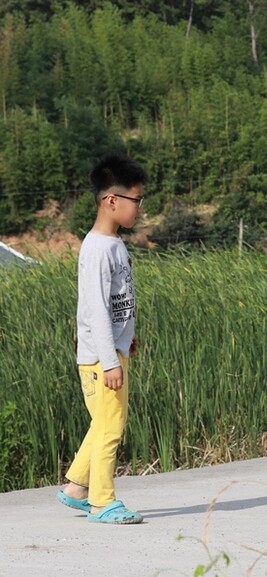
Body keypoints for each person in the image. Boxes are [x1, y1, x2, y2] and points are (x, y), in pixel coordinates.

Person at [57, 152, 147, 524]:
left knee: (103, 423)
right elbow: (94, 308)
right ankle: (102, 502)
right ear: (112, 200)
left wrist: (127, 338)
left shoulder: (115, 245)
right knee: (111, 427)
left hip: (112, 349)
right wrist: (110, 360)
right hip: (100, 358)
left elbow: (116, 303)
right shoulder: (96, 249)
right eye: (136, 200)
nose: (139, 209)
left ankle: (77, 487)